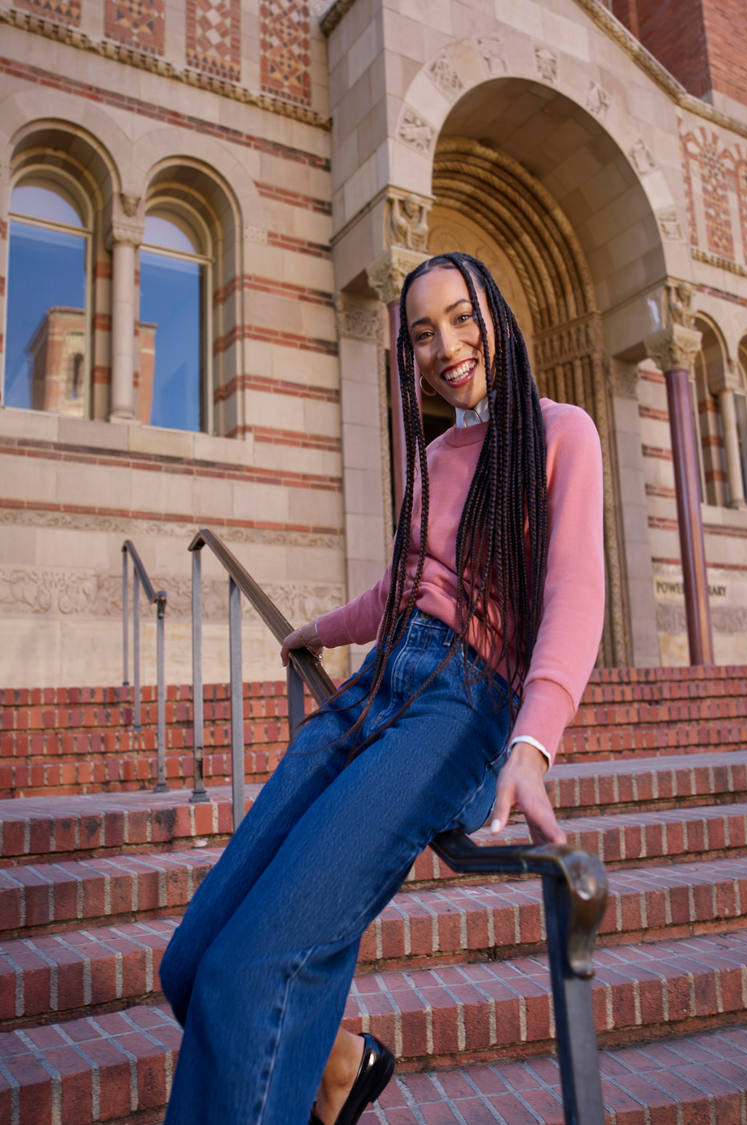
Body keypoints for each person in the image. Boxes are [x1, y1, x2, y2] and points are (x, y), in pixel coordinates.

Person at [158, 252, 605, 1125]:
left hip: (461, 705)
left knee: (254, 970)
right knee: (192, 962)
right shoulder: (433, 455)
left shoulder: (561, 432)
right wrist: (320, 629)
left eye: (462, 317)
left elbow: (575, 590)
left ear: (499, 317)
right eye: (423, 333)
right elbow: (403, 586)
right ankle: (340, 1067)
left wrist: (532, 742)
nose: (446, 345)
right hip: (373, 688)